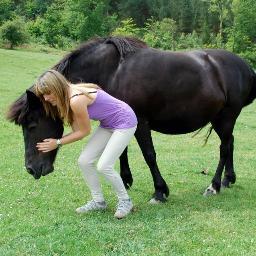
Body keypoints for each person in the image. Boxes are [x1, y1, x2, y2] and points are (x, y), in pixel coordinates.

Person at [35, 70, 137, 219]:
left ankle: (125, 201)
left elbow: (84, 131)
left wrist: (57, 142)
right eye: (43, 94)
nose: (46, 98)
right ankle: (98, 202)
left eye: (48, 93)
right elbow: (77, 130)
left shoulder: (76, 100)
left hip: (125, 121)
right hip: (108, 124)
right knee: (84, 161)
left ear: (57, 87)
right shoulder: (68, 96)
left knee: (104, 166)